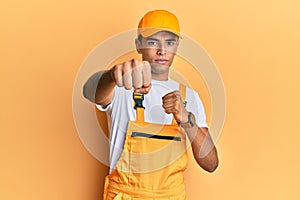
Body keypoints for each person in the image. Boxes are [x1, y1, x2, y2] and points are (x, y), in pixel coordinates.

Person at [83, 9, 218, 200]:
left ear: (177, 46)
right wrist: (113, 75)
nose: (162, 50)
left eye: (169, 42)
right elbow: (88, 90)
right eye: (153, 41)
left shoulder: (190, 97)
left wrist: (187, 120)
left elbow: (211, 164)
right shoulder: (121, 87)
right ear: (139, 44)